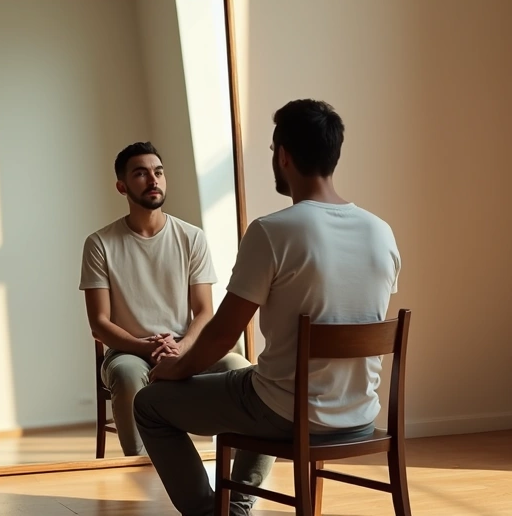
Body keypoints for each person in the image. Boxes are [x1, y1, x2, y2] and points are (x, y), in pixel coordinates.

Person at [133, 99, 401, 516]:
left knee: (149, 405)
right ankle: (235, 507)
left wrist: (174, 369)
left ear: (284, 155)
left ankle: (214, 513)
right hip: (360, 412)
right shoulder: (381, 232)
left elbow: (224, 334)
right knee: (258, 379)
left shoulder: (273, 231)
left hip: (288, 413)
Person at [79, 141, 251, 457]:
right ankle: (140, 466)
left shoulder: (191, 237)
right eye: (141, 174)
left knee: (239, 368)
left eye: (158, 172)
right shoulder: (99, 244)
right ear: (122, 186)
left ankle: (238, 478)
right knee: (129, 374)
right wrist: (149, 348)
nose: (153, 180)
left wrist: (181, 350)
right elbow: (99, 323)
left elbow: (203, 312)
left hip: (185, 346)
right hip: (128, 351)